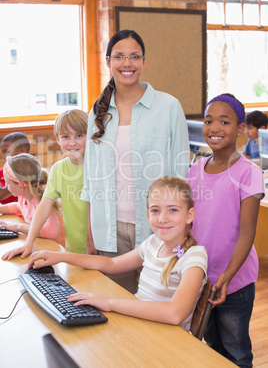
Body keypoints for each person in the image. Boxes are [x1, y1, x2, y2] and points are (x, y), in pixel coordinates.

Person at [82, 29, 190, 293]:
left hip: (160, 228)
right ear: (108, 61)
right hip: (109, 229)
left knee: (157, 311)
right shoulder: (97, 112)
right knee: (116, 312)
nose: (127, 63)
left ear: (144, 61)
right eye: (119, 57)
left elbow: (181, 175)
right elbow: (89, 179)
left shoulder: (169, 106)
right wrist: (90, 234)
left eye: (134, 57)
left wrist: (181, 232)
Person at [28, 176, 207, 330]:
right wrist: (61, 257)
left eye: (173, 210)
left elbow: (174, 314)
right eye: (155, 210)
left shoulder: (194, 257)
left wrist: (110, 303)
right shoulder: (153, 243)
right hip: (138, 325)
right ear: (147, 214)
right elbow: (111, 264)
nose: (162, 218)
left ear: (189, 215)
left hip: (166, 340)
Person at [187, 93, 265, 367]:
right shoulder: (195, 170)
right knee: (213, 347)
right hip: (202, 278)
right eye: (209, 121)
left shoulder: (248, 173)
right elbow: (190, 222)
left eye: (225, 121)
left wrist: (227, 276)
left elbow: (247, 233)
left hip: (235, 281)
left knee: (236, 351)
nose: (215, 128)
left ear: (241, 129)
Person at [2, 109, 89, 259]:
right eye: (66, 136)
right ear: (57, 139)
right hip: (73, 247)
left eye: (79, 135)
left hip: (98, 247)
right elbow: (43, 206)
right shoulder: (59, 169)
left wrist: (92, 242)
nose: (72, 142)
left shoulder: (98, 167)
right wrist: (28, 244)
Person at [0, 153, 60, 237]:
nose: (5, 185)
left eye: (8, 182)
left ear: (21, 186)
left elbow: (52, 231)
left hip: (55, 247)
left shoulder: (43, 201)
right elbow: (19, 207)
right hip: (40, 243)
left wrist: (18, 227)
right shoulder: (23, 197)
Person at [0, 132, 31, 204]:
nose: (3, 156)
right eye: (2, 152)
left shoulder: (27, 171)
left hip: (19, 211)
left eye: (6, 151)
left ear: (22, 151)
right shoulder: (3, 170)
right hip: (4, 210)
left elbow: (1, 194)